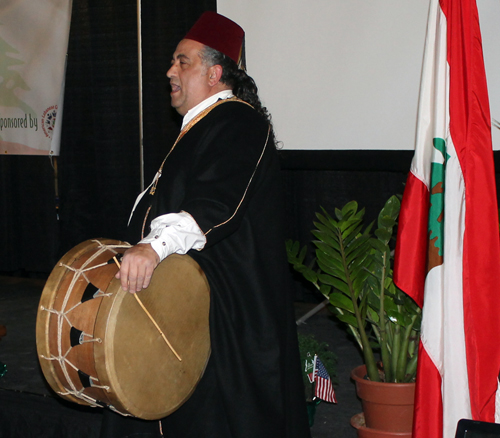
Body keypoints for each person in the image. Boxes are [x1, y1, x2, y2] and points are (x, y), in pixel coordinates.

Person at [102, 11, 311, 438]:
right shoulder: (202, 128)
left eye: (183, 61)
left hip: (225, 317)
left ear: (215, 73)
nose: (169, 71)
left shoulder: (238, 121)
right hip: (194, 307)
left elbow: (215, 205)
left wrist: (151, 248)